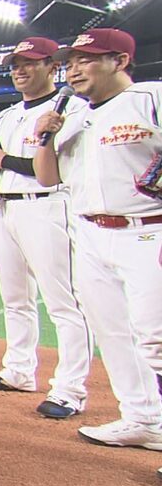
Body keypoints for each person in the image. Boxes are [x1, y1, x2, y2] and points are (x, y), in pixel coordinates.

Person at [33, 28, 162, 451]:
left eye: (85, 59)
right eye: (69, 62)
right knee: (113, 332)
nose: (72, 68)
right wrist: (44, 137)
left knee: (156, 336)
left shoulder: (149, 98)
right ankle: (142, 418)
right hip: (90, 234)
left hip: (148, 230)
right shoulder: (75, 116)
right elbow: (47, 177)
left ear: (120, 61)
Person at [0, 37, 93, 418]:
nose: (19, 71)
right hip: (7, 209)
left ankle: (70, 390)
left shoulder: (74, 107)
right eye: (15, 65)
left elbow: (53, 169)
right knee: (15, 297)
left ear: (52, 67)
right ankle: (19, 370)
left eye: (29, 63)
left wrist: (4, 161)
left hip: (50, 206)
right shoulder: (6, 116)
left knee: (64, 301)